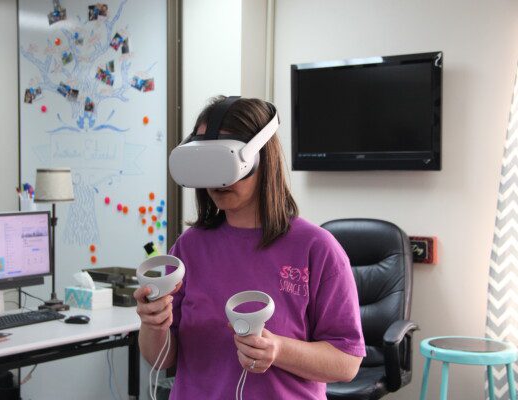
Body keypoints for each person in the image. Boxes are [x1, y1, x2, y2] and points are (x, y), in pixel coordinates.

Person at [134, 96, 365, 399]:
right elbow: (162, 359)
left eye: (226, 162)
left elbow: (346, 362)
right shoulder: (190, 248)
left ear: (261, 158)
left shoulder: (317, 249)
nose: (219, 180)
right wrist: (153, 324)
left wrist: (278, 349)